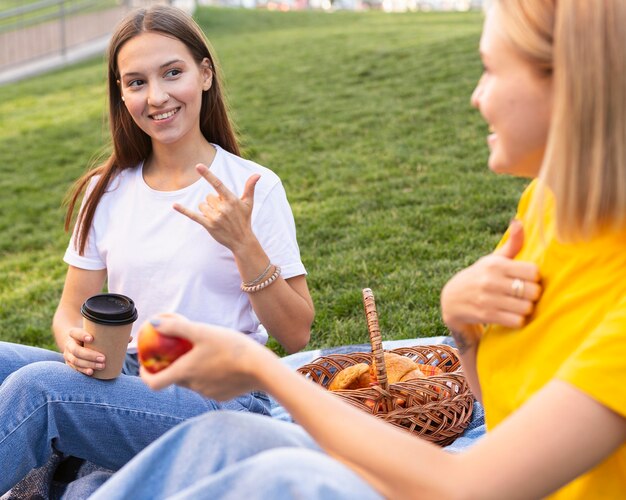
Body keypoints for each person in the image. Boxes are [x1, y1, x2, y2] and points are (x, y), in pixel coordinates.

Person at [87, 0, 626, 498]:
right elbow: (511, 416)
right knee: (227, 443)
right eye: (135, 82)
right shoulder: (546, 209)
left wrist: (261, 368)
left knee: (276, 471)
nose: (476, 95)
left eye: (490, 69)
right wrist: (462, 330)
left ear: (573, 85)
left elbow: (469, 486)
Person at [0, 4, 314, 493]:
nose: (158, 96)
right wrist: (73, 344)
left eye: (173, 73)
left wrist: (243, 243)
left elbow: (296, 334)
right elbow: (67, 313)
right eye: (136, 82)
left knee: (36, 391)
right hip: (125, 378)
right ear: (121, 93)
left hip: (219, 399)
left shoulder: (252, 187)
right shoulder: (105, 190)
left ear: (204, 74)